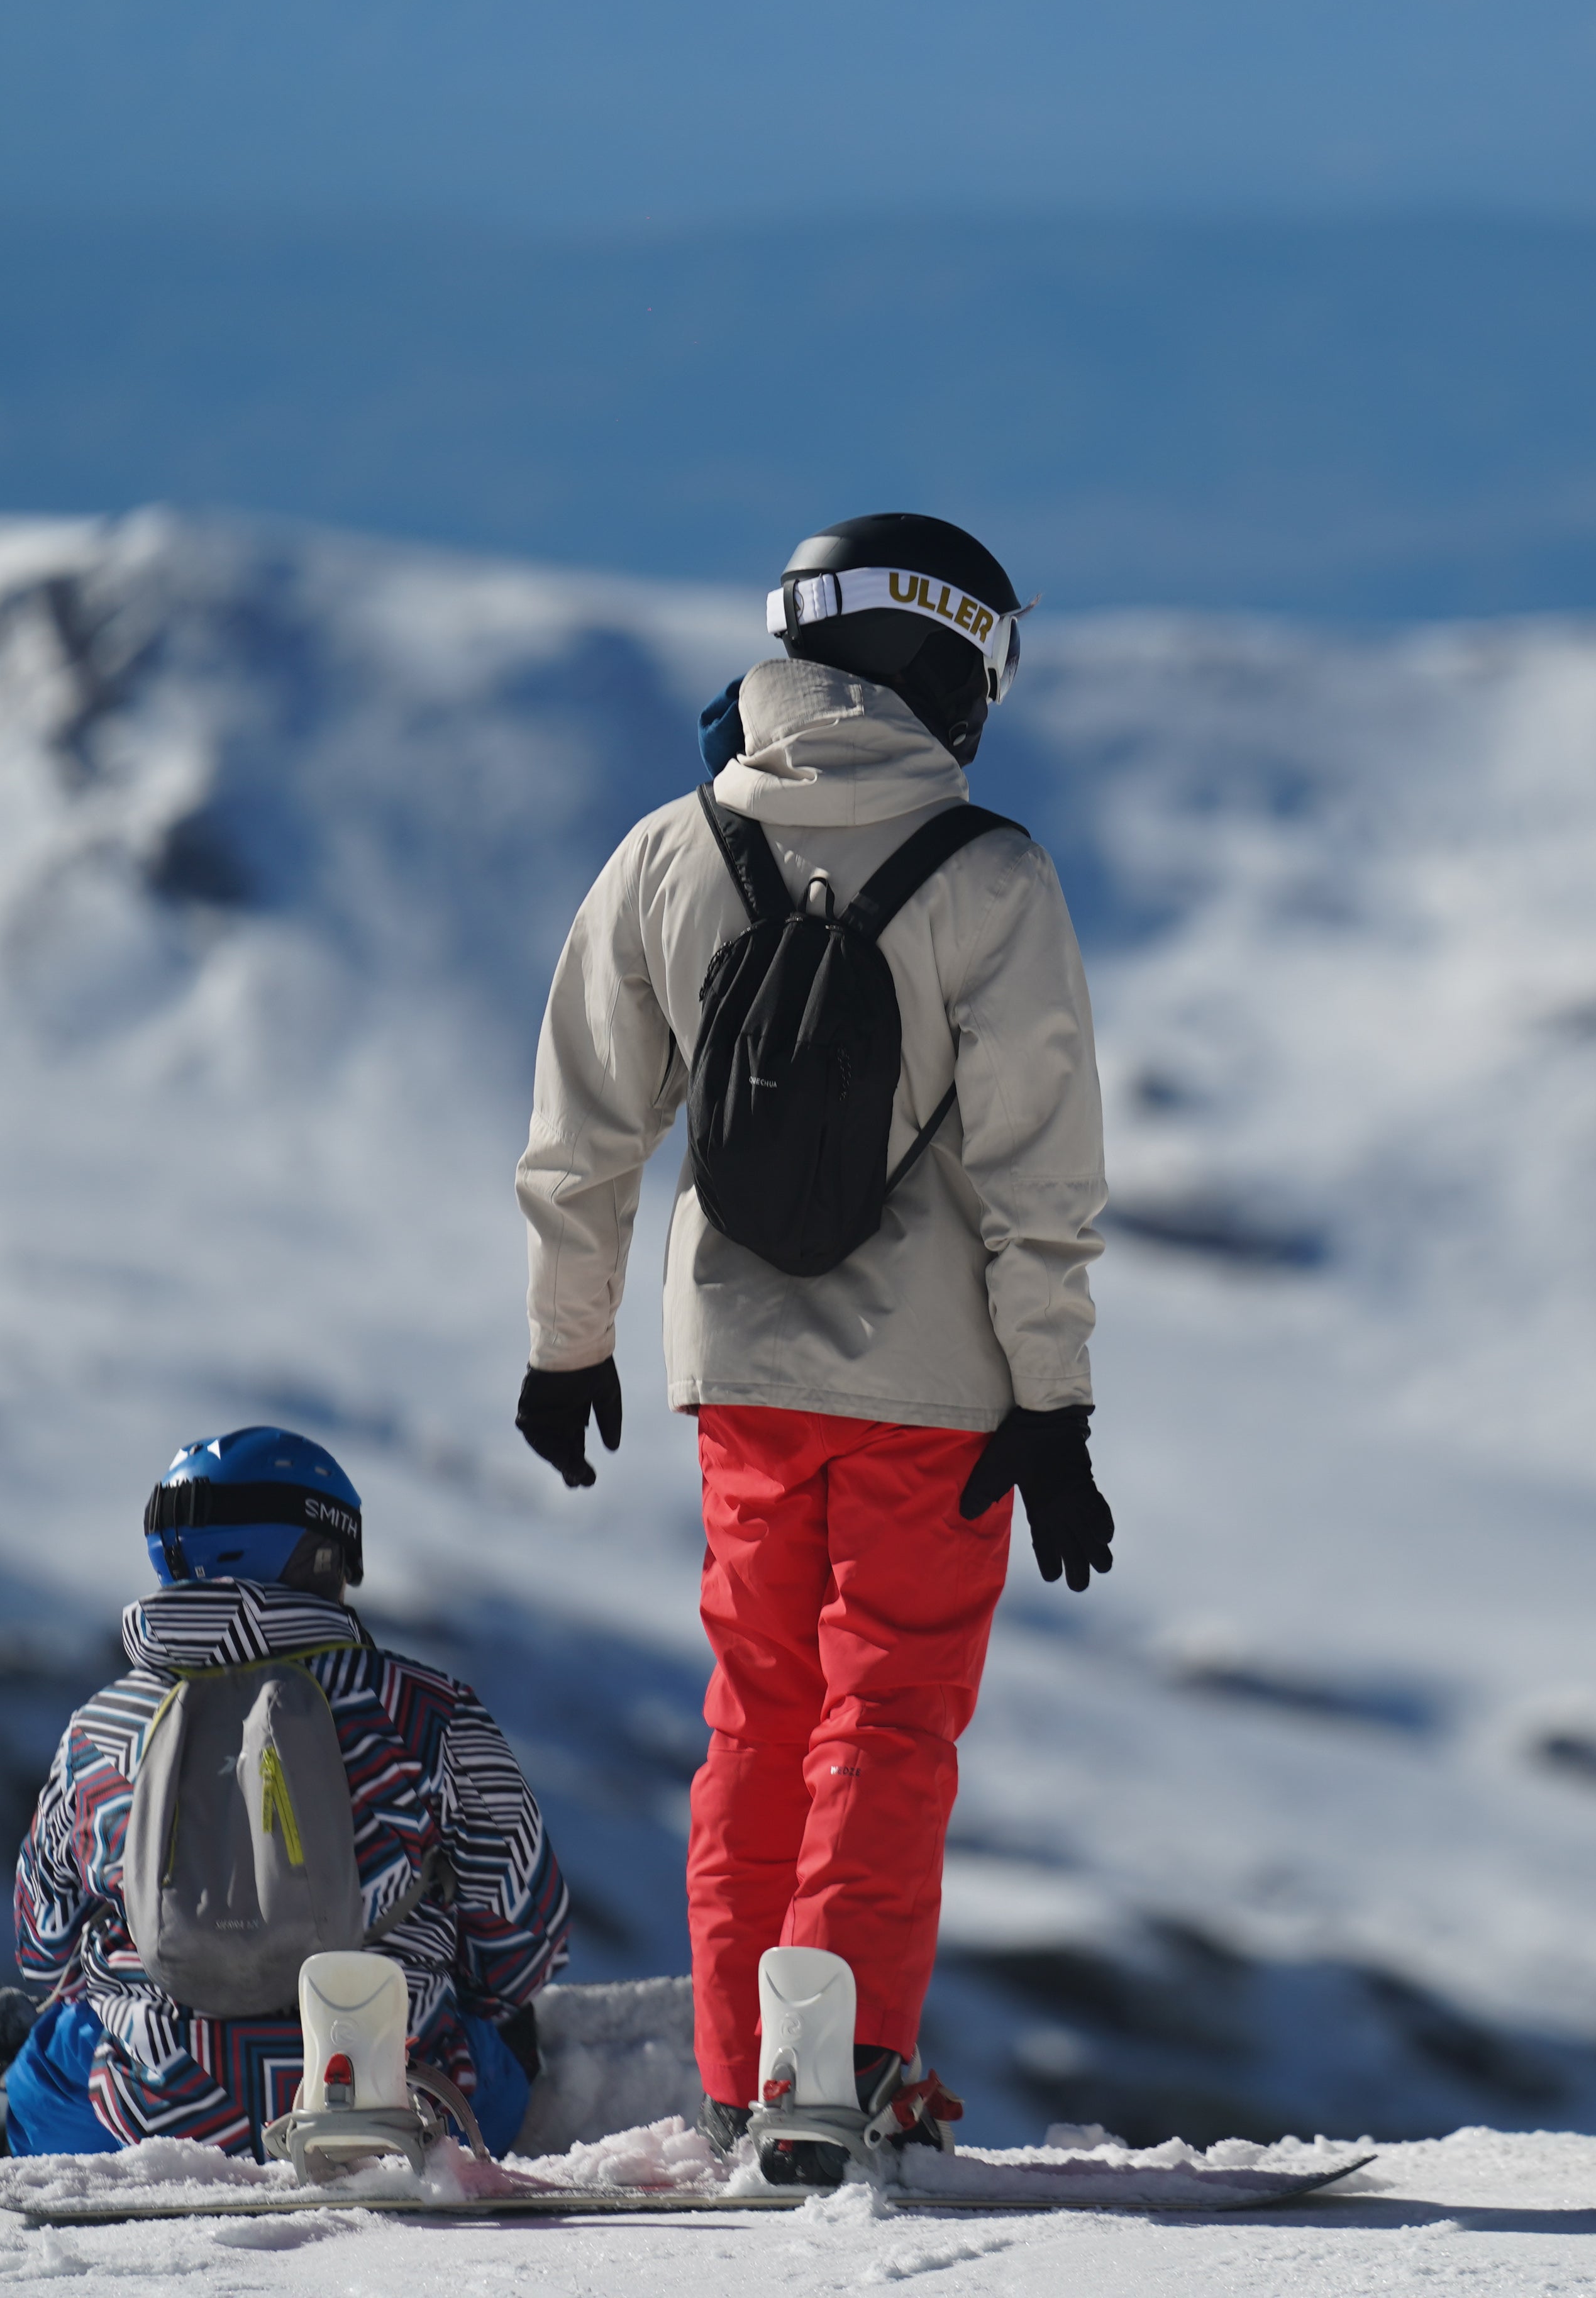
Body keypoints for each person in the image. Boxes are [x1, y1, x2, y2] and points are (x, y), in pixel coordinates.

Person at [510, 511, 1111, 2182]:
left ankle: (735, 2078)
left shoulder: (670, 852)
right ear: (942, 661)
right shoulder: (993, 876)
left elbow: (582, 1132)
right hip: (941, 1394)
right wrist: (1053, 1406)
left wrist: (572, 1344)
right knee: (886, 1726)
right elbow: (1039, 1177)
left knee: (757, 1717)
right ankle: (837, 2077)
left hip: (739, 1379)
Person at [0, 1428, 580, 2172]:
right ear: (320, 1555)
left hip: (136, 2124)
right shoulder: (425, 1711)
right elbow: (525, 1943)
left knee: (53, 2035)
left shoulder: (99, 1729)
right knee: (504, 2036)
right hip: (399, 2108)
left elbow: (43, 1948)